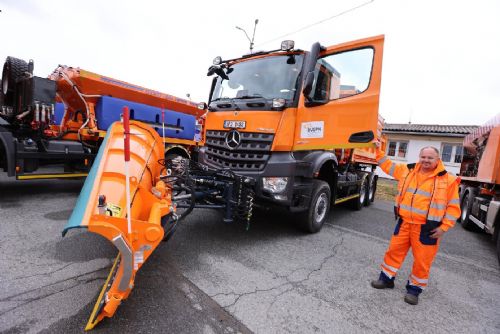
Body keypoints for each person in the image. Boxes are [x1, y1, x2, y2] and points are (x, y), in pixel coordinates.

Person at [371, 143, 461, 305]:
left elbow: (454, 207)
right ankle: (386, 279)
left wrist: (444, 227)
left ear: (438, 159)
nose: (426, 160)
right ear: (419, 157)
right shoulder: (408, 170)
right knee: (393, 252)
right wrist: (378, 150)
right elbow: (387, 166)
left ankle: (414, 290)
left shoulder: (449, 180)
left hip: (428, 228)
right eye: (423, 157)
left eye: (430, 158)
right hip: (405, 222)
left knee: (422, 261)